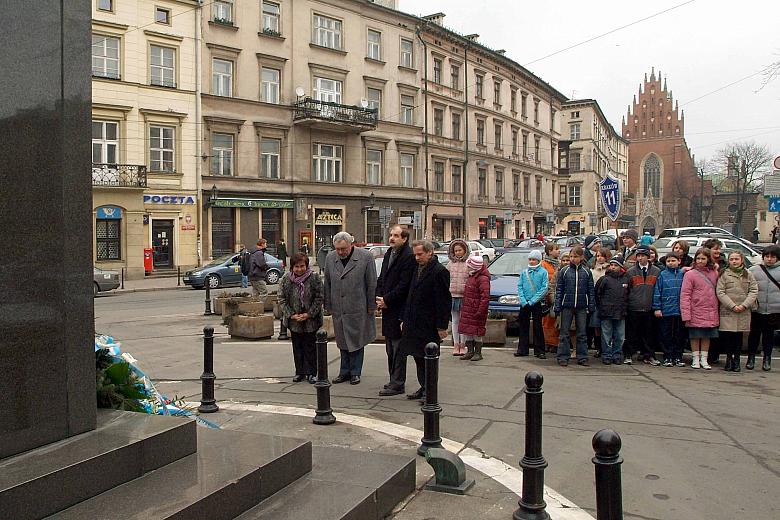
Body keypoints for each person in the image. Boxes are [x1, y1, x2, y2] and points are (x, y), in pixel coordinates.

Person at [323, 232, 377, 385]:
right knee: (342, 340)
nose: (340, 252)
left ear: (351, 245)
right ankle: (344, 371)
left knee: (356, 340)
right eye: (338, 249)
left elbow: (371, 283)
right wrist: (328, 305)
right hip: (339, 307)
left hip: (358, 306)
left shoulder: (365, 257)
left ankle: (355, 372)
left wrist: (371, 306)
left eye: (343, 249)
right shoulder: (330, 258)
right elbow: (327, 282)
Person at [400, 240, 451, 400]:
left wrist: (442, 326)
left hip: (429, 324)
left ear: (430, 253)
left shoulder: (439, 271)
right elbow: (410, 295)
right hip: (414, 322)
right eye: (415, 254)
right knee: (418, 357)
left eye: (420, 254)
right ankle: (423, 387)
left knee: (429, 359)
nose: (417, 257)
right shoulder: (417, 269)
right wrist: (404, 318)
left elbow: (443, 301)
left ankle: (430, 392)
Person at [376, 226, 415, 396]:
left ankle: (398, 382)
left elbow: (404, 285)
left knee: (398, 348)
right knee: (390, 348)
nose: (392, 238)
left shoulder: (407, 256)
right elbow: (382, 278)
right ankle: (393, 379)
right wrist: (378, 297)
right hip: (387, 308)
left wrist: (387, 299)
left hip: (399, 308)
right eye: (391, 235)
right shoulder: (389, 254)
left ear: (404, 239)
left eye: (396, 236)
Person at [278, 253, 323, 384]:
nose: (299, 269)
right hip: (294, 320)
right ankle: (300, 372)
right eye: (296, 266)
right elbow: (281, 298)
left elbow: (319, 297)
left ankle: (312, 372)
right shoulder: (286, 279)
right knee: (297, 347)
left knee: (311, 347)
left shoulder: (314, 277)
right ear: (292, 267)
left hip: (311, 320)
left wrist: (309, 314)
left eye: (302, 266)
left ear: (307, 265)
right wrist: (291, 314)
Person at [716, 251, 758, 372]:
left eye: (736, 259)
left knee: (739, 337)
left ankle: (737, 360)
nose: (734, 261)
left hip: (743, 311)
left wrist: (744, 305)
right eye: (732, 259)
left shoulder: (748, 274)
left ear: (742, 260)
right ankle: (729, 359)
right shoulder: (724, 274)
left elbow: (753, 291)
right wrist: (732, 305)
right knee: (728, 336)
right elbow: (720, 292)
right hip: (728, 310)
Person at [554, 246, 595, 367]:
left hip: (582, 306)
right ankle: (563, 356)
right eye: (571, 256)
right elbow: (559, 289)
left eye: (575, 257)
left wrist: (591, 305)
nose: (572, 259)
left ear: (581, 257)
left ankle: (582, 356)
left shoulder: (587, 272)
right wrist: (557, 305)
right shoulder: (564, 271)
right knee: (564, 332)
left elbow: (590, 290)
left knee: (582, 333)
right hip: (567, 305)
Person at [680, 247, 720, 370]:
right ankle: (695, 358)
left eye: (703, 258)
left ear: (708, 259)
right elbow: (685, 294)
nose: (700, 261)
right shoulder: (690, 274)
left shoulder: (714, 273)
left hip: (710, 308)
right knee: (695, 336)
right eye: (698, 258)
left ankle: (704, 358)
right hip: (695, 308)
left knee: (707, 336)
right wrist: (686, 313)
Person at [624, 245, 661, 365]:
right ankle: (629, 354)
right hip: (634, 307)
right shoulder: (630, 272)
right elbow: (627, 290)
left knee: (649, 333)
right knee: (631, 333)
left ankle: (648, 355)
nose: (640, 258)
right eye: (638, 256)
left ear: (648, 257)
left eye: (643, 256)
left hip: (649, 307)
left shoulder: (656, 271)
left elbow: (658, 289)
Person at [747, 244, 780, 371]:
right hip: (757, 309)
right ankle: (751, 358)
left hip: (774, 309)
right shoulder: (754, 270)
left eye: (773, 256)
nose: (769, 259)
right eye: (767, 256)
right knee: (754, 334)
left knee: (769, 335)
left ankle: (767, 359)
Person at [653, 252, 686, 367]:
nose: (671, 263)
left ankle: (678, 356)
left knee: (679, 334)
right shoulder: (662, 275)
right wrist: (657, 308)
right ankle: (667, 356)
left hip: (680, 311)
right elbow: (657, 292)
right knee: (666, 334)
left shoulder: (683, 274)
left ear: (679, 261)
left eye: (673, 261)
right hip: (666, 310)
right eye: (668, 261)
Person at [595, 255, 629, 365]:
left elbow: (629, 294)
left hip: (620, 312)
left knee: (620, 335)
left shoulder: (626, 279)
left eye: (616, 265)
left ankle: (617, 354)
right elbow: (597, 294)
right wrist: (602, 306)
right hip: (606, 312)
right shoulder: (604, 279)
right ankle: (607, 355)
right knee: (606, 335)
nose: (613, 267)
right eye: (612, 265)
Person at [515, 250, 548, 358]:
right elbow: (520, 286)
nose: (531, 261)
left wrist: (533, 300)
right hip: (525, 303)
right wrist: (524, 301)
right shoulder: (524, 273)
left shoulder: (543, 272)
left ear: (538, 260)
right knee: (523, 326)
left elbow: (544, 288)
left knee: (538, 326)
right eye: (530, 259)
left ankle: (540, 350)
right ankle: (522, 349)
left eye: (534, 259)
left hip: (536, 303)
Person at [458, 256, 490, 362]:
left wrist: (481, 310)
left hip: (476, 310)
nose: (467, 268)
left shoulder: (482, 279)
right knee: (468, 331)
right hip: (469, 309)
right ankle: (470, 351)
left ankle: (478, 352)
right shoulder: (472, 276)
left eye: (469, 266)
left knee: (477, 332)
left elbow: (485, 296)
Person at [446, 239, 470, 356]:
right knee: (455, 321)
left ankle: (463, 344)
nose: (458, 253)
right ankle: (456, 344)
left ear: (465, 250)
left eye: (460, 250)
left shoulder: (468, 264)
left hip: (464, 296)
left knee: (463, 321)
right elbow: (446, 279)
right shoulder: (450, 264)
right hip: (452, 296)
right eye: (455, 251)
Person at [588, 247, 611, 356]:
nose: (599, 258)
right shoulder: (592, 271)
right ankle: (598, 347)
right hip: (596, 301)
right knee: (596, 325)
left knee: (606, 326)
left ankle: (606, 347)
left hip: (607, 302)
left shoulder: (609, 270)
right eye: (597, 256)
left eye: (602, 256)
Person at [541, 242, 561, 353]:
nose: (558, 251)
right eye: (556, 249)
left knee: (555, 321)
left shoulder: (558, 264)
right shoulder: (543, 264)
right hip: (547, 297)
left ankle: (554, 343)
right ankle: (547, 342)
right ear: (549, 251)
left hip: (556, 297)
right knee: (547, 321)